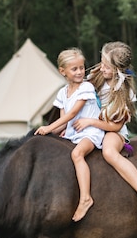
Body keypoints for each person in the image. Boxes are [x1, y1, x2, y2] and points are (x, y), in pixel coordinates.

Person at [73, 41, 137, 223]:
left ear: (117, 69)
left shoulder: (121, 91)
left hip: (111, 130)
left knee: (109, 152)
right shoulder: (98, 75)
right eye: (101, 61)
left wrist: (90, 121)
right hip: (92, 126)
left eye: (106, 65)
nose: (101, 67)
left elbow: (115, 126)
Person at [34, 47, 104, 222]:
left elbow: (72, 114)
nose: (80, 72)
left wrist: (48, 128)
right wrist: (45, 135)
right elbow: (64, 121)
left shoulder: (86, 87)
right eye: (75, 69)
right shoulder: (62, 93)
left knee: (77, 154)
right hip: (73, 133)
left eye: (81, 67)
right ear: (62, 71)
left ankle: (86, 198)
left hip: (90, 132)